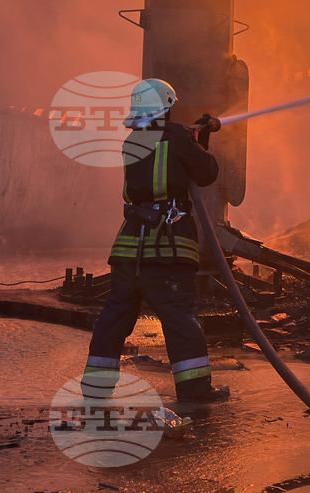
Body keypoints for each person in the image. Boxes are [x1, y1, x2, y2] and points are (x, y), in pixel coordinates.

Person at [83, 78, 230, 403]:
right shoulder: (177, 136)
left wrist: (193, 140)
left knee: (114, 318)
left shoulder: (131, 141)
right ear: (166, 107)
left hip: (128, 249)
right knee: (179, 319)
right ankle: (194, 391)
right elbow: (206, 173)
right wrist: (197, 143)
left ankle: (95, 389)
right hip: (166, 247)